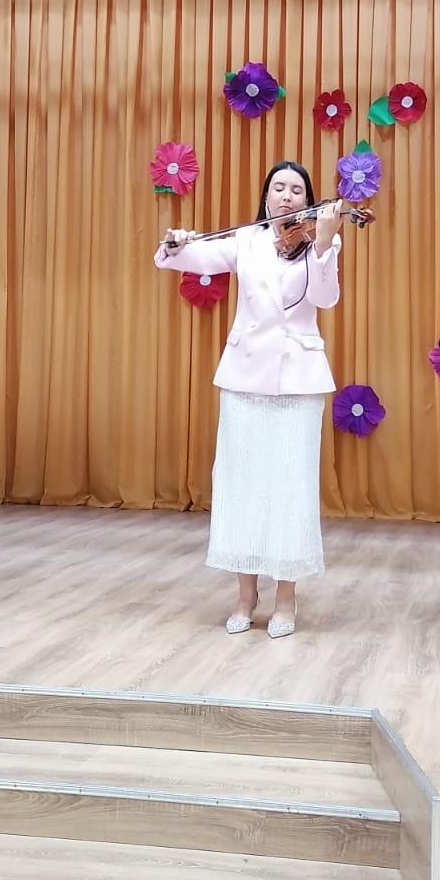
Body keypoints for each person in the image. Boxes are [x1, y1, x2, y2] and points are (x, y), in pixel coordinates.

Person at [155, 160, 344, 639]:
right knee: (242, 485)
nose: (287, 196)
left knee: (289, 488)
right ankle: (245, 596)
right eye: (279, 187)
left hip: (299, 381)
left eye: (296, 190)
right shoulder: (248, 240)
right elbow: (196, 258)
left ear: (308, 200)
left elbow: (325, 299)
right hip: (244, 377)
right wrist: (176, 243)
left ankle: (286, 598)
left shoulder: (320, 242)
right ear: (266, 196)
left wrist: (324, 243)